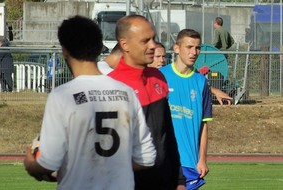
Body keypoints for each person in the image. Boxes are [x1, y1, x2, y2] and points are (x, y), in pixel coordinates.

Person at [23, 15, 156, 190]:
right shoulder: (126, 93)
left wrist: (31, 165)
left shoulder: (62, 95)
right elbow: (146, 158)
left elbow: (49, 163)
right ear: (100, 47)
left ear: (65, 51)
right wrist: (112, 166)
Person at [108, 15, 184, 190]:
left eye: (153, 39)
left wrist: (179, 180)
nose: (153, 46)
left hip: (164, 181)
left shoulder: (158, 78)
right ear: (124, 44)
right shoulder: (111, 88)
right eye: (145, 41)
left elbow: (168, 135)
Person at [159, 29, 213, 190]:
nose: (194, 52)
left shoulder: (201, 82)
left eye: (197, 48)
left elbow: (204, 124)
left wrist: (202, 159)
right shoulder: (159, 76)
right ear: (176, 48)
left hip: (189, 162)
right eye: (189, 47)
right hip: (164, 160)